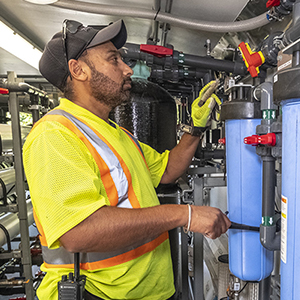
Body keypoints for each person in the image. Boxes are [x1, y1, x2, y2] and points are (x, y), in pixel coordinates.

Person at [23, 19, 231, 300]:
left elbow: (168, 170)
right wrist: (185, 215)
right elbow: (78, 231)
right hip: (99, 294)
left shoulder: (115, 134)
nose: (127, 68)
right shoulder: (55, 134)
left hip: (146, 291)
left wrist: (195, 128)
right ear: (78, 70)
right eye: (114, 59)